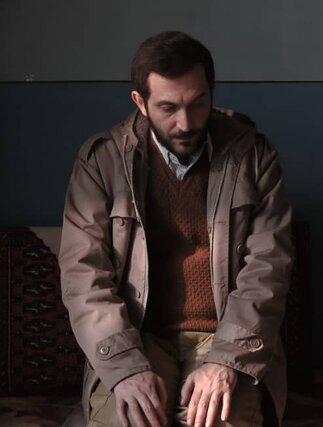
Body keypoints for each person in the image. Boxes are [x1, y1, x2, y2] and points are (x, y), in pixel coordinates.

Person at [59, 31, 292, 426]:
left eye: (198, 103)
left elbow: (268, 271)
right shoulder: (101, 161)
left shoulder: (254, 156)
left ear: (211, 92)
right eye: (168, 107)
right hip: (137, 336)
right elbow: (83, 276)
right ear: (140, 102)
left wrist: (227, 361)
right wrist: (124, 368)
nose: (185, 123)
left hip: (226, 336)